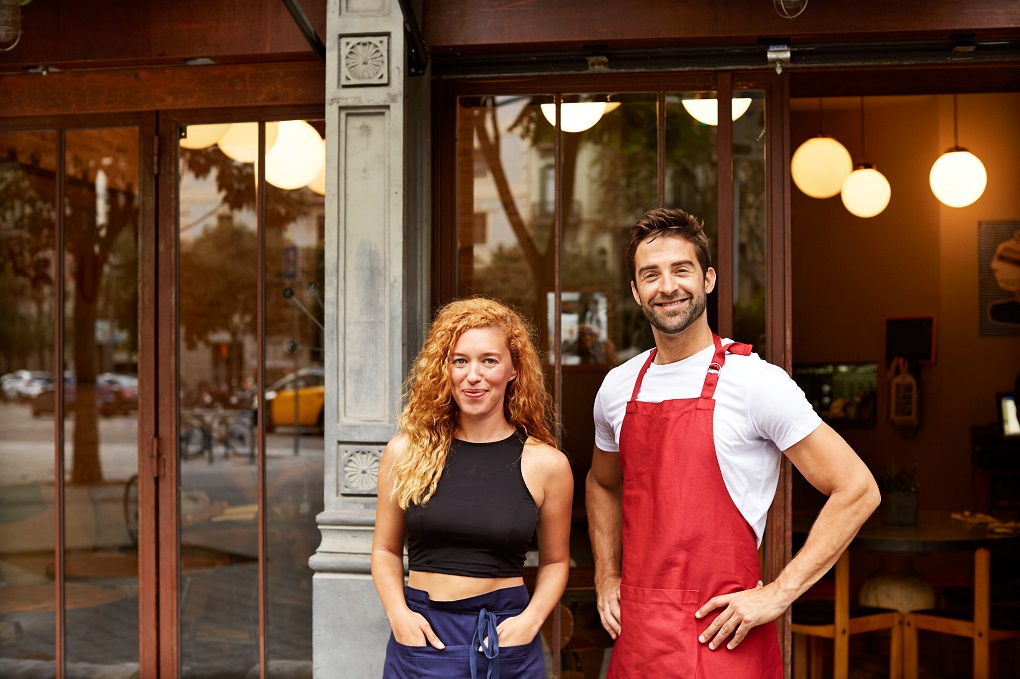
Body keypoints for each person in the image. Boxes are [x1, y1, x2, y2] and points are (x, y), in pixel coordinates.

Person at [586, 208, 881, 678]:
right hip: (639, 640)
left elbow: (857, 488)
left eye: (681, 270)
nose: (667, 286)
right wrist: (605, 576)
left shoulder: (756, 382)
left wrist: (777, 594)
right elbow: (602, 484)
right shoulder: (618, 387)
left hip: (724, 638)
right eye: (651, 275)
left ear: (708, 278)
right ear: (636, 291)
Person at [372, 297, 574, 679]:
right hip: (423, 635)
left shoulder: (547, 465)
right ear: (444, 369)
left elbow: (555, 562)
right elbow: (384, 550)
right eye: (460, 361)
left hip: (504, 636)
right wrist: (399, 615)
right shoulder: (405, 452)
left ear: (514, 370)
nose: (472, 375)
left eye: (489, 360)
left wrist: (530, 621)